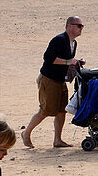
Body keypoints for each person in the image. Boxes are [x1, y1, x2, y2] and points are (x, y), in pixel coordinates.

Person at [23, 16, 85, 148]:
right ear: (69, 26)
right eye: (78, 26)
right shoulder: (59, 40)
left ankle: (57, 140)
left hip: (60, 80)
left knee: (62, 111)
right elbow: (48, 58)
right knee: (45, 110)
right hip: (49, 79)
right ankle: (26, 133)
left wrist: (75, 62)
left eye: (82, 26)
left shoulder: (73, 42)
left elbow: (66, 59)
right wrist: (69, 61)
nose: (81, 28)